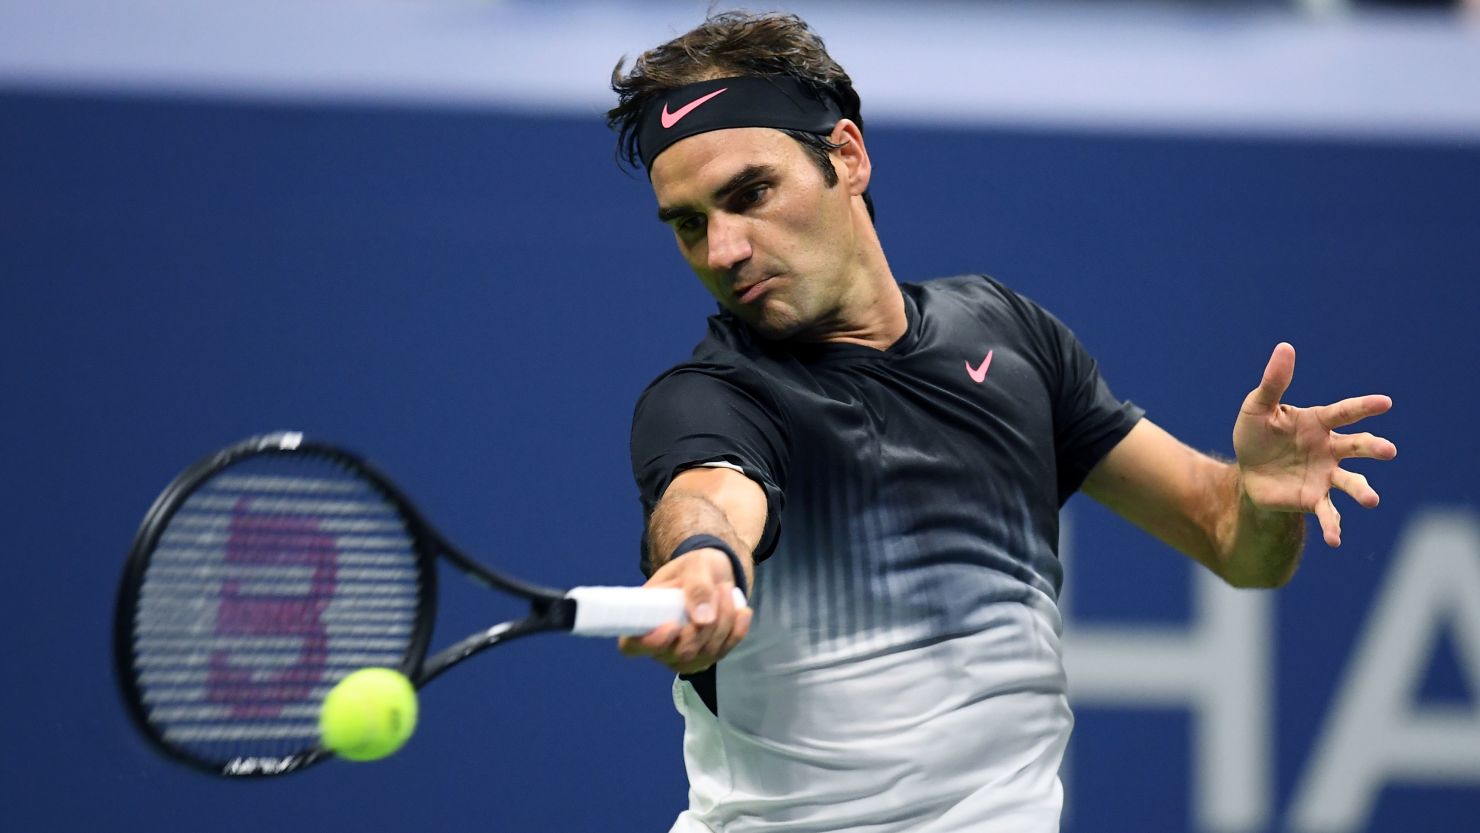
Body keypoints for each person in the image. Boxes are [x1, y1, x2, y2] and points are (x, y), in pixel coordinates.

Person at [605, 12, 1396, 833]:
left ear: (845, 155)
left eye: (750, 193)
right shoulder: (712, 398)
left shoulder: (1006, 334)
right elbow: (707, 498)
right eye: (691, 224)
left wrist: (1263, 502)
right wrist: (704, 564)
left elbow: (1231, 540)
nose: (724, 249)